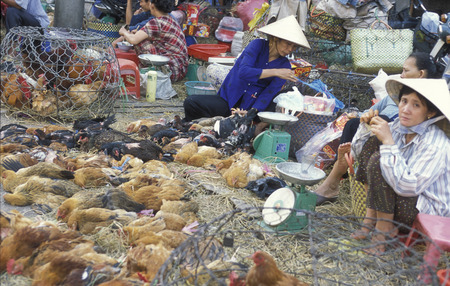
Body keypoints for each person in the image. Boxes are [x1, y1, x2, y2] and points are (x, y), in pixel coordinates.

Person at [314, 52, 440, 205]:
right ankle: (341, 173)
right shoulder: (394, 97)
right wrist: (364, 117)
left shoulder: (433, 131)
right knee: (355, 124)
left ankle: (359, 197)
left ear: (420, 74)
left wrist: (385, 132)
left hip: (405, 169)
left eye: (406, 71)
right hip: (388, 140)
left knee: (381, 124)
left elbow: (409, 186)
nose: (401, 74)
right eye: (404, 101)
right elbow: (371, 111)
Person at [350, 77, 450, 255]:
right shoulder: (398, 126)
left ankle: (383, 230)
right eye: (404, 101)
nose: (405, 109)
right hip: (399, 198)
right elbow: (358, 155)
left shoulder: (435, 143)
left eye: (416, 105)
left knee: (380, 158)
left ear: (430, 113)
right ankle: (370, 219)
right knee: (374, 143)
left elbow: (408, 186)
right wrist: (366, 126)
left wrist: (388, 141)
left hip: (425, 211)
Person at [183, 15, 310, 123]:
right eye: (288, 44)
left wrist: (251, 113)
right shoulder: (257, 45)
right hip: (228, 101)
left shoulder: (285, 66)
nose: (290, 50)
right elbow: (244, 72)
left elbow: (269, 93)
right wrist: (275, 72)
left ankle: (230, 123)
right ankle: (214, 123)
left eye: (294, 47)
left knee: (281, 97)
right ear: (276, 38)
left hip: (250, 107)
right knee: (191, 102)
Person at [116, 0, 188, 82]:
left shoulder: (156, 22)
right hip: (181, 70)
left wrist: (124, 32)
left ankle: (147, 72)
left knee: (140, 42)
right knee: (142, 38)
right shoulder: (171, 19)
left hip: (169, 73)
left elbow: (133, 40)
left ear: (152, 6)